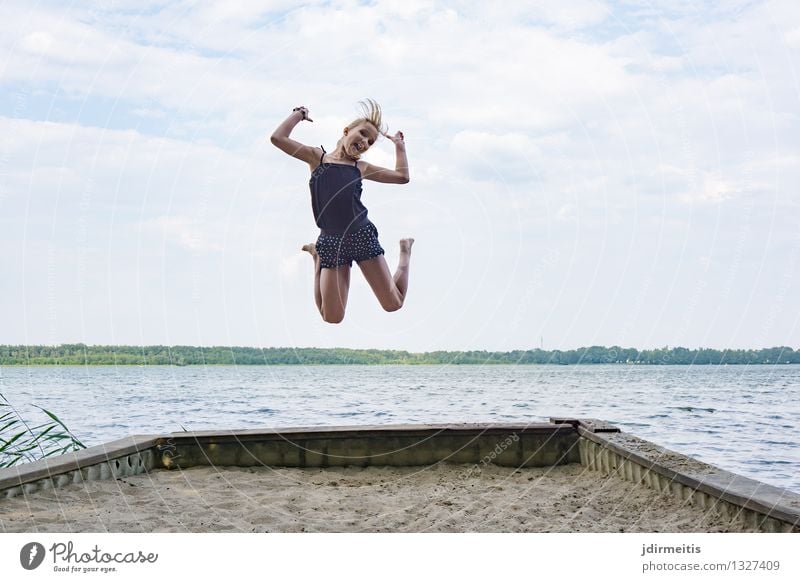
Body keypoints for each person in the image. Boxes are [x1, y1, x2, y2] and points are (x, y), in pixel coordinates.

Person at [270, 99, 414, 324]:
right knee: (332, 317)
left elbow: (402, 177)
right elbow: (277, 139)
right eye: (363, 134)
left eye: (371, 141)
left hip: (361, 236)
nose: (365, 142)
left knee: (393, 304)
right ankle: (317, 257)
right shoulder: (316, 158)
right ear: (346, 131)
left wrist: (399, 147)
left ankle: (405, 253)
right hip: (331, 241)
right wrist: (299, 114)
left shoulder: (361, 168)